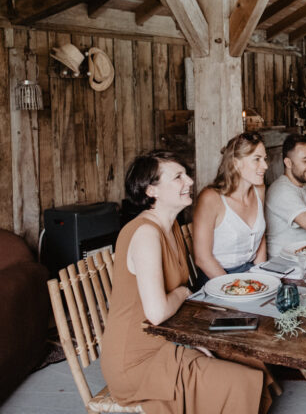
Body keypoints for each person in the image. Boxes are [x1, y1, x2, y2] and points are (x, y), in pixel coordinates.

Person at [101, 151, 271, 414]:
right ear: (151, 190)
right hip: (139, 359)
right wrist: (183, 291)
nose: (190, 181)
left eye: (186, 175)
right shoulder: (146, 233)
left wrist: (193, 339)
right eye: (178, 177)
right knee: (238, 380)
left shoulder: (172, 228)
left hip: (168, 337)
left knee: (248, 357)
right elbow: (157, 313)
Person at [193, 133, 268, 285]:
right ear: (236, 163)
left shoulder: (259, 190)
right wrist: (237, 288)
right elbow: (202, 258)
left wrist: (262, 276)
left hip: (250, 273)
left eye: (265, 159)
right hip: (215, 278)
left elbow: (261, 236)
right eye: (257, 159)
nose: (265, 166)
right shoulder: (210, 198)